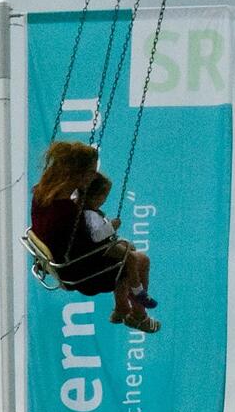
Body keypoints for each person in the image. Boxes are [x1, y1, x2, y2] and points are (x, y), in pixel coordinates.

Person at [30, 140, 160, 333]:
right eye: (91, 172)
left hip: (65, 262)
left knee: (129, 254)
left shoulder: (43, 193)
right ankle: (139, 316)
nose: (93, 177)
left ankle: (123, 309)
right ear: (77, 173)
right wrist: (115, 239)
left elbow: (76, 241)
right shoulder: (67, 212)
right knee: (139, 260)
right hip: (82, 274)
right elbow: (90, 247)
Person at [81, 172, 158, 314]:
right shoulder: (89, 215)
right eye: (103, 197)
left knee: (130, 247)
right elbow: (96, 237)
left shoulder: (88, 209)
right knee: (131, 257)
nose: (104, 200)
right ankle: (137, 291)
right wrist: (111, 227)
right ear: (93, 196)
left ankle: (121, 305)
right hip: (100, 248)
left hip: (103, 245)